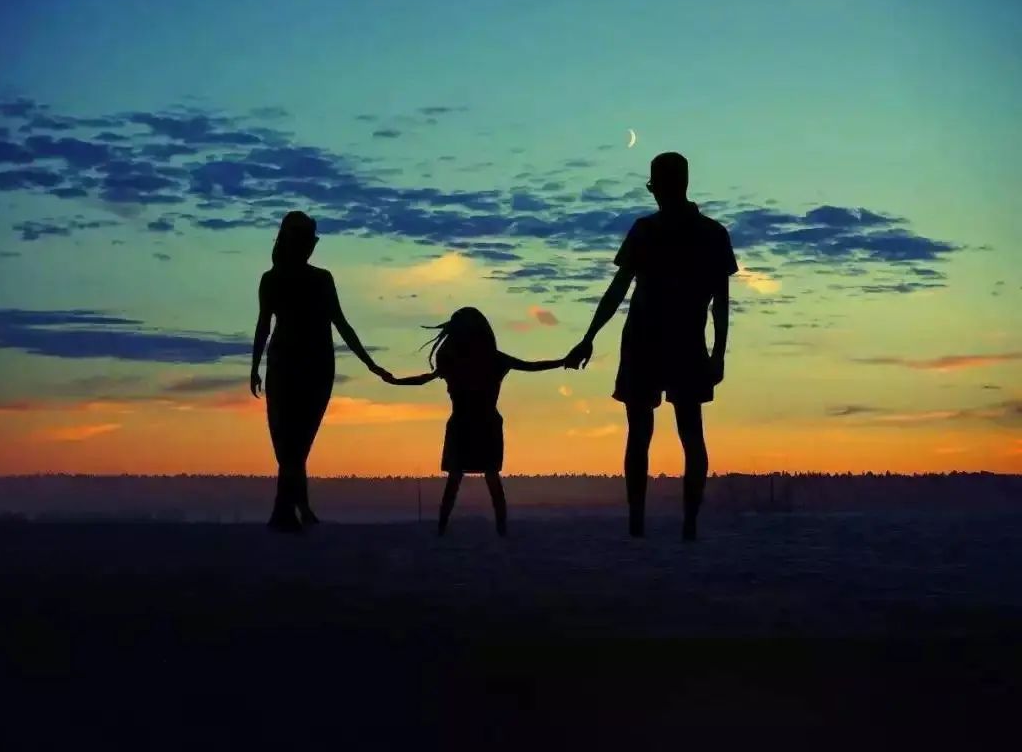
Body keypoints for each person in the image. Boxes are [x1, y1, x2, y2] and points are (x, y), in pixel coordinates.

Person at [565, 152, 738, 540]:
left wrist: (589, 337)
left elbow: (619, 290)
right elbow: (720, 303)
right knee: (682, 434)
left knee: (655, 435)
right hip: (672, 343)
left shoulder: (657, 231)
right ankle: (670, 525)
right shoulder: (709, 233)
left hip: (654, 342)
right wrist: (717, 353)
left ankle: (649, 524)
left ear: (658, 187)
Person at [250, 211, 391, 532]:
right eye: (305, 241)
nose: (309, 247)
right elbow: (263, 326)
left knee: (297, 442)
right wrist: (255, 366)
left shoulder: (317, 279)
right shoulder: (274, 280)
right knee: (288, 443)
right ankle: (293, 508)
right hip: (287, 365)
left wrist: (369, 363)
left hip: (313, 367)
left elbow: (340, 323)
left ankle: (290, 509)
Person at [384, 307, 564, 537]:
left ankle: (446, 529)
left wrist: (395, 381)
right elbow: (531, 366)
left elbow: (423, 379)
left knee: (460, 479)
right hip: (482, 424)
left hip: (466, 424)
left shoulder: (456, 360)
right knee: (487, 478)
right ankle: (496, 530)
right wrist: (563, 361)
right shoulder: (490, 359)